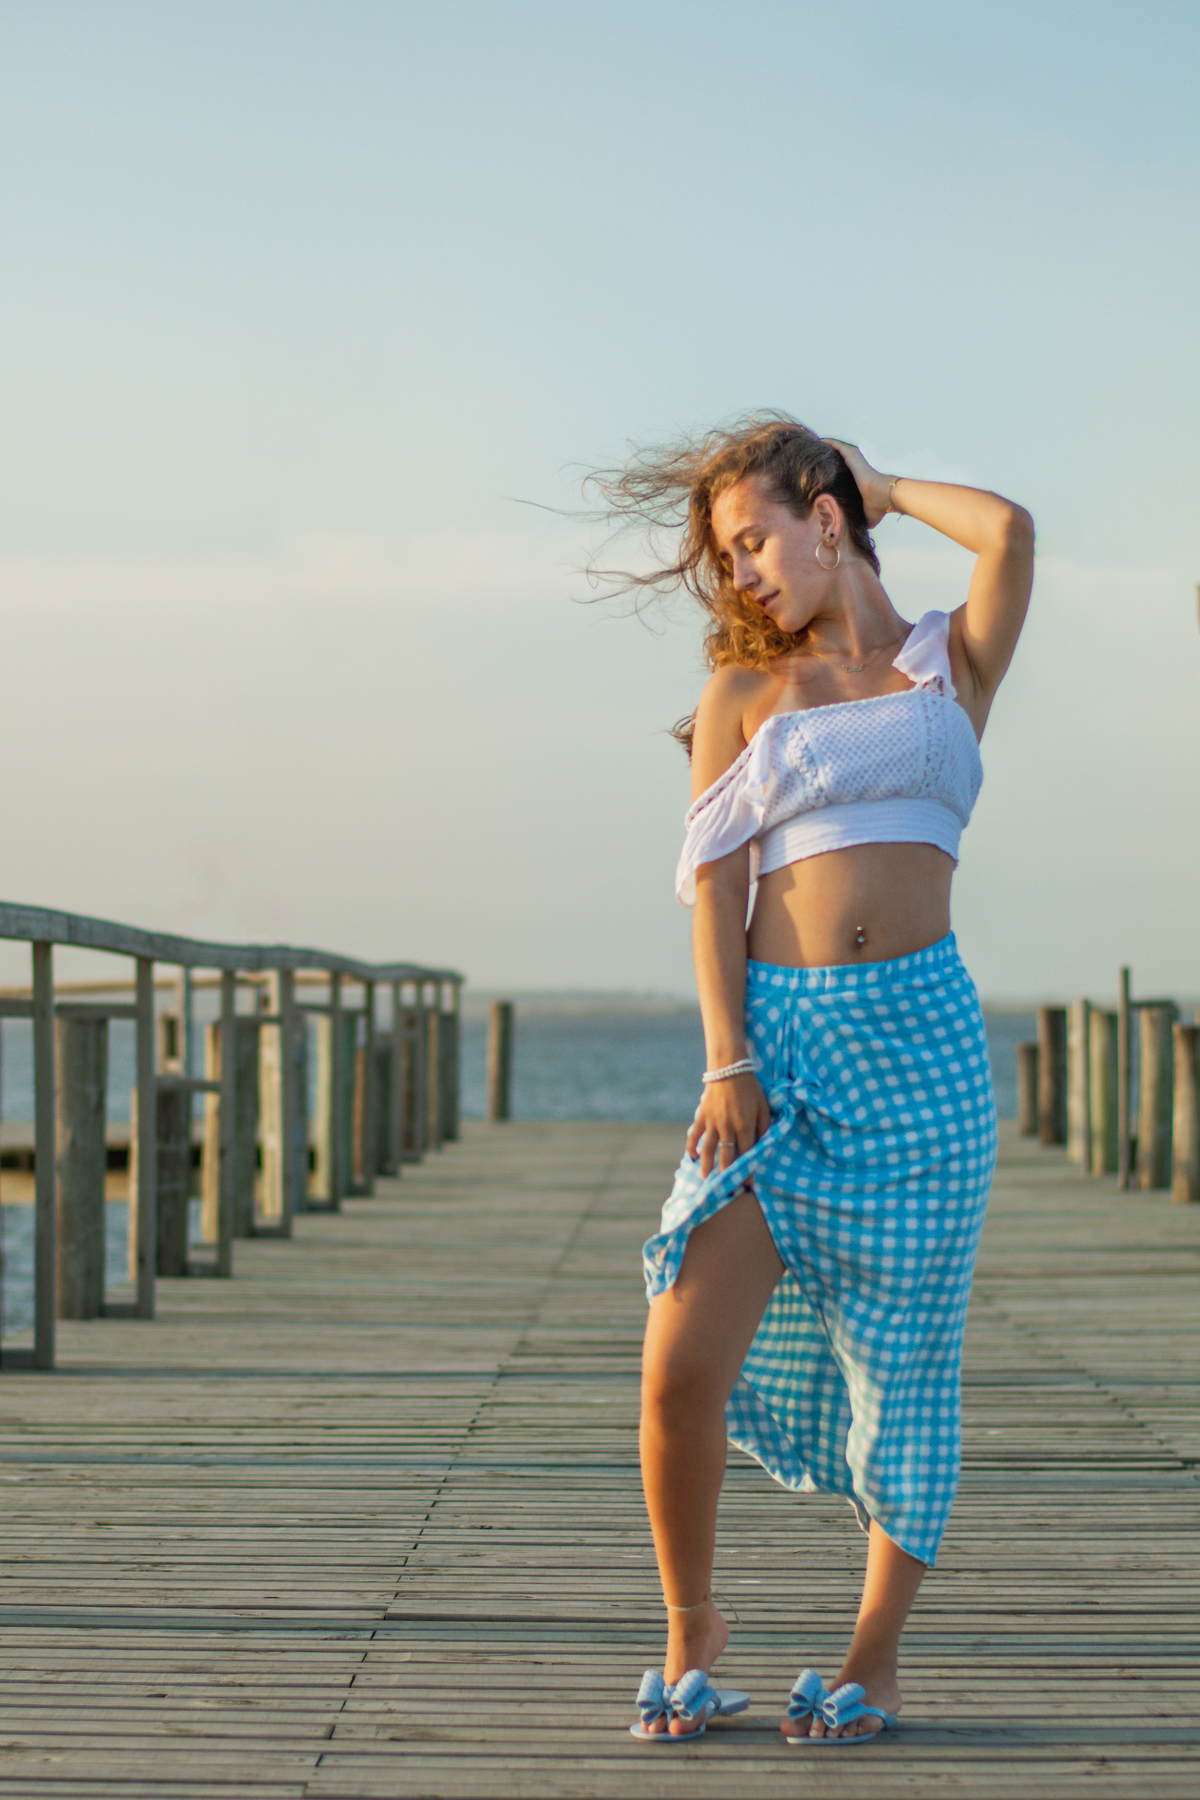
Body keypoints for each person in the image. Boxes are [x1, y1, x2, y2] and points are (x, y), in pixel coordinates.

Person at [597, 417, 1034, 1745]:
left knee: (910, 1379)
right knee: (678, 1361)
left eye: (753, 541)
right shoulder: (743, 700)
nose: (740, 577)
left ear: (824, 519)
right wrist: (729, 1058)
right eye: (724, 557)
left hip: (923, 1066)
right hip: (780, 1058)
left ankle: (872, 1661)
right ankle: (693, 1628)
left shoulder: (945, 664)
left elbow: (1011, 531)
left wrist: (885, 482)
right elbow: (715, 896)